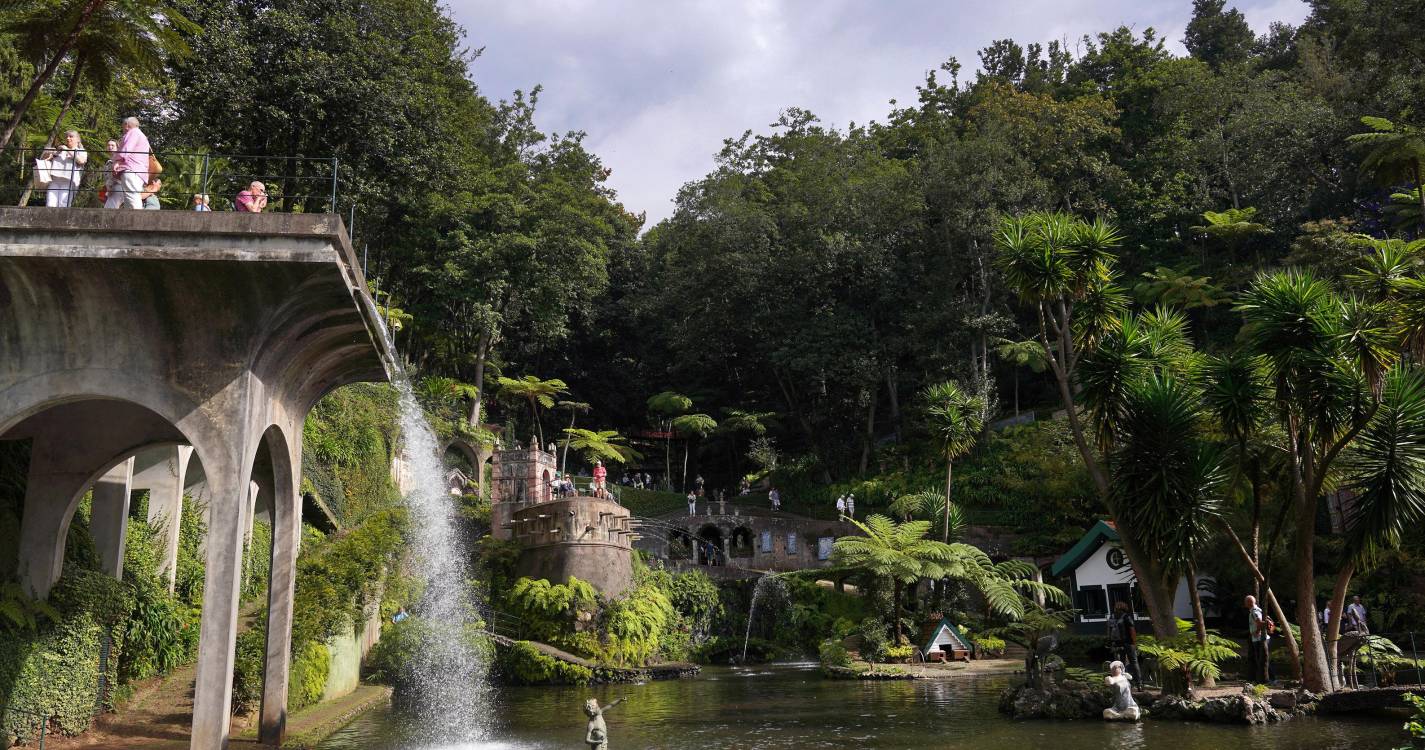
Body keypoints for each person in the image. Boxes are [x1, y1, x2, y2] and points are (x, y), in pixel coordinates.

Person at [41, 130, 87, 207]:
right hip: (54, 181)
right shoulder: (60, 150)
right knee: (50, 203)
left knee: (63, 203)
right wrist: (52, 152)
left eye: (71, 136)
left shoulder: (80, 151)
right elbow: (44, 158)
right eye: (67, 137)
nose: (68, 138)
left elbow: (81, 161)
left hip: (68, 182)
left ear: (77, 139)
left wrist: (67, 150)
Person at [112, 117, 150, 209]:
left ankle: (137, 217)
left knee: (132, 198)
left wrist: (117, 161)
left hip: (131, 169)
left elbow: (126, 149)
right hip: (139, 171)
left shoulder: (133, 132)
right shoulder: (141, 135)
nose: (122, 129)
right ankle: (132, 217)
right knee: (131, 197)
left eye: (123, 126)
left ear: (127, 125)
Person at [1107, 600, 1140, 681]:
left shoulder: (1112, 617)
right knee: (1134, 662)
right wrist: (1135, 643)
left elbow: (1109, 631)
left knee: (1120, 663)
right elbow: (1132, 631)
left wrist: (1110, 642)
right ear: (1124, 608)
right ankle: (1139, 683)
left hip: (1117, 644)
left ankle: (1123, 681)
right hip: (1128, 643)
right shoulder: (1127, 617)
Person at [1246, 594, 1272, 683]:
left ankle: (1271, 679)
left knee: (1263, 660)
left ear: (1249, 602)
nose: (1245, 603)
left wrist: (1256, 632)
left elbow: (1260, 622)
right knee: (1262, 659)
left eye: (1246, 601)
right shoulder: (1257, 610)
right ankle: (1263, 679)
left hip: (1259, 639)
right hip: (1259, 639)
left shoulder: (1254, 611)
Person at [100, 139, 121, 208]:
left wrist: (110, 185)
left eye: (112, 145)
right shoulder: (109, 160)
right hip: (112, 188)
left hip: (118, 186)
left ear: (117, 147)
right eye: (108, 145)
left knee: (109, 208)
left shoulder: (119, 159)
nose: (110, 147)